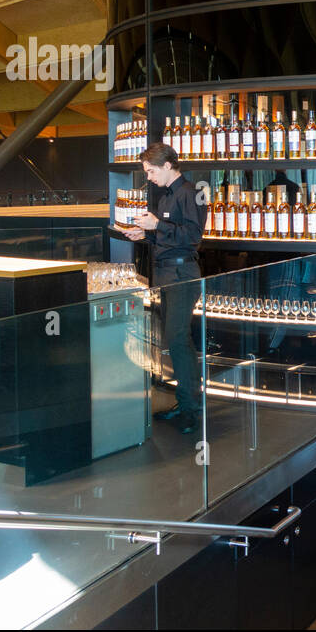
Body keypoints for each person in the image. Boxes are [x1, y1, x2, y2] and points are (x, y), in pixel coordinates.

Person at [124, 143, 207, 434]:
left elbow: (193, 237)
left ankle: (191, 409)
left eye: (151, 171)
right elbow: (168, 238)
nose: (148, 177)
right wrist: (144, 234)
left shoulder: (191, 193)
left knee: (179, 340)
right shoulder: (166, 196)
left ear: (167, 165)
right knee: (175, 341)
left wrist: (156, 224)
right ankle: (187, 403)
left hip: (182, 274)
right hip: (167, 274)